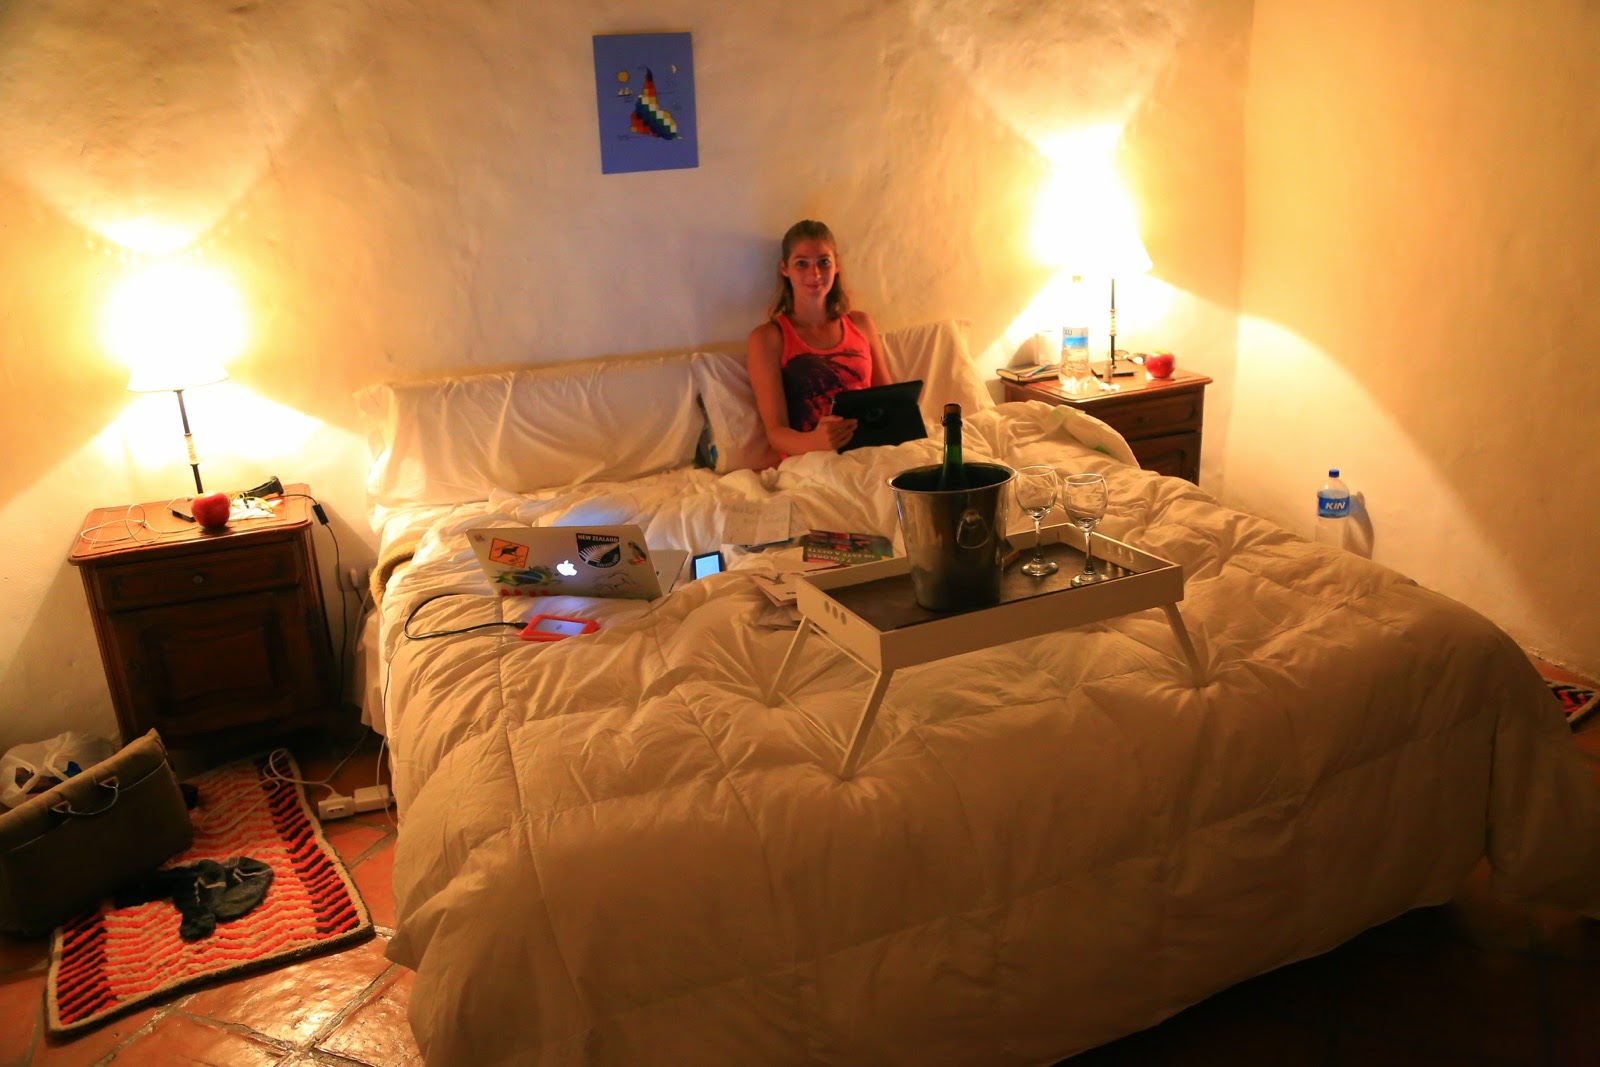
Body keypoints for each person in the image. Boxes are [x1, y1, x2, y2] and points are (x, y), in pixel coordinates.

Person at [746, 220, 893, 456]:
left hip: (871, 450)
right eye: (801, 263)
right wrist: (816, 442)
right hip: (812, 460)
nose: (814, 274)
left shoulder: (861, 324)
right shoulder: (767, 338)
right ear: (785, 269)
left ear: (836, 265)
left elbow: (891, 402)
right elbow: (776, 434)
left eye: (823, 262)